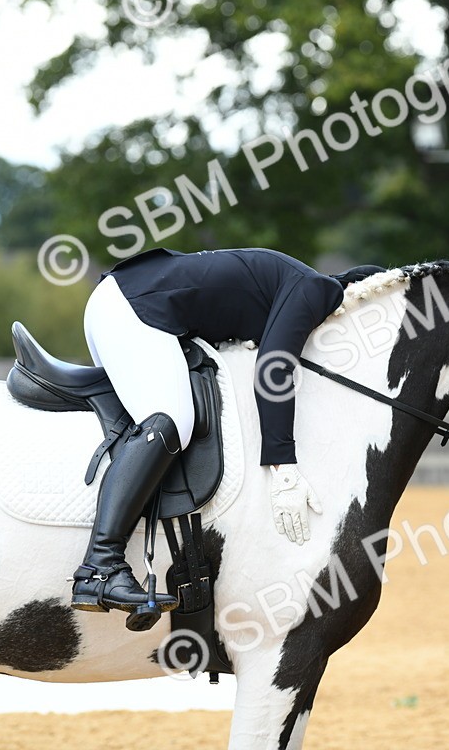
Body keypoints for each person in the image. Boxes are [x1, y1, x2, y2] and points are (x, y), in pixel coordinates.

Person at [69, 246, 385, 615]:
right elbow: (272, 370)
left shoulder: (290, 281)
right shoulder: (316, 289)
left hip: (123, 301)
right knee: (173, 419)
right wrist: (283, 468)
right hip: (133, 310)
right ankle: (100, 566)